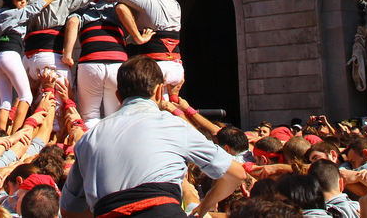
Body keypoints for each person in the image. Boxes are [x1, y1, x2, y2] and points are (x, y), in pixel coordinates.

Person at [60, 57, 244, 218]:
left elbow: (69, 210)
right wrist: (205, 205)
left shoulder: (89, 138)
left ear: (118, 96)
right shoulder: (174, 125)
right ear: (158, 92)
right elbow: (236, 173)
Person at [0, 0, 68, 132]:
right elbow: (40, 5)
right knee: (26, 97)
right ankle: (16, 134)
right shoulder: (17, 13)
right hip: (10, 57)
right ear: (9, 0)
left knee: (5, 101)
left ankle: (0, 134)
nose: (23, 3)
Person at [62, 0, 129, 128]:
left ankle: (91, 147)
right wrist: (138, 37)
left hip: (90, 62)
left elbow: (72, 22)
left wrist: (68, 55)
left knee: (89, 117)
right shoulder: (117, 9)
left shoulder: (82, 10)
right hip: (118, 63)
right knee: (115, 116)